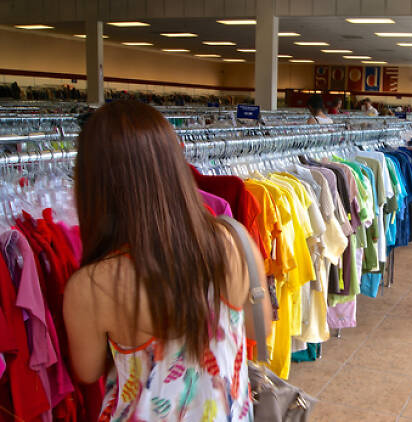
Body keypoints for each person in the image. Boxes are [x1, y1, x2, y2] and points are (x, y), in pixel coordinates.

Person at [63, 100, 272, 420]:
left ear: (94, 184)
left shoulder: (91, 286)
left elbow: (88, 370)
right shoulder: (234, 241)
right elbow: (260, 331)